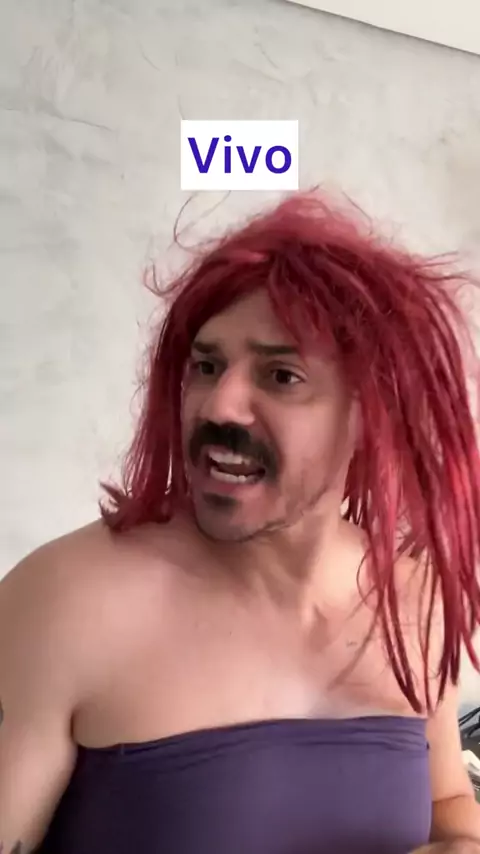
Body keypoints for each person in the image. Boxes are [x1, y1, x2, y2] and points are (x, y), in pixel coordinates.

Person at [1, 191, 480, 854]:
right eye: (206, 366)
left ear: (372, 413)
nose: (218, 405)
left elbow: (448, 803)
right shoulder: (68, 600)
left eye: (281, 375)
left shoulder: (414, 604)